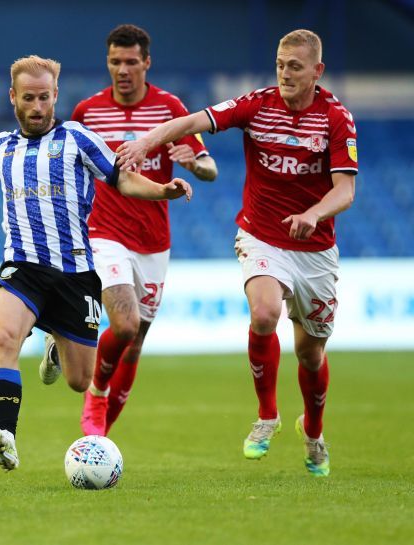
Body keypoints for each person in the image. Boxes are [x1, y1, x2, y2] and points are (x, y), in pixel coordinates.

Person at [0, 55, 193, 472]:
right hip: (23, 268)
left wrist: (162, 190)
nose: (37, 107)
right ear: (12, 98)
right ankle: (7, 435)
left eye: (44, 97)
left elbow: (121, 178)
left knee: (80, 381)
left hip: (75, 273)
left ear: (55, 95)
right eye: (28, 98)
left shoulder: (77, 138)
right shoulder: (2, 147)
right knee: (4, 337)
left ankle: (54, 340)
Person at [117, 29, 357, 477]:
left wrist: (313, 213)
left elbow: (345, 190)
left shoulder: (336, 118)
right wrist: (146, 142)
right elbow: (190, 122)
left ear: (317, 72)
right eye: (280, 63)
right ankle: (267, 416)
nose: (285, 73)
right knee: (264, 315)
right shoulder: (257, 105)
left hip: (315, 248)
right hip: (262, 235)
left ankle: (314, 432)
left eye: (296, 66)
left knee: (311, 354)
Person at [50, 24, 218, 436]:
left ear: (146, 62)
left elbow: (210, 167)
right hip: (104, 233)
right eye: (114, 62)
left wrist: (195, 165)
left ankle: (98, 437)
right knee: (123, 326)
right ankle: (96, 397)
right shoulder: (88, 111)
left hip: (153, 242)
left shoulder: (169, 107)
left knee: (135, 341)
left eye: (130, 62)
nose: (122, 70)